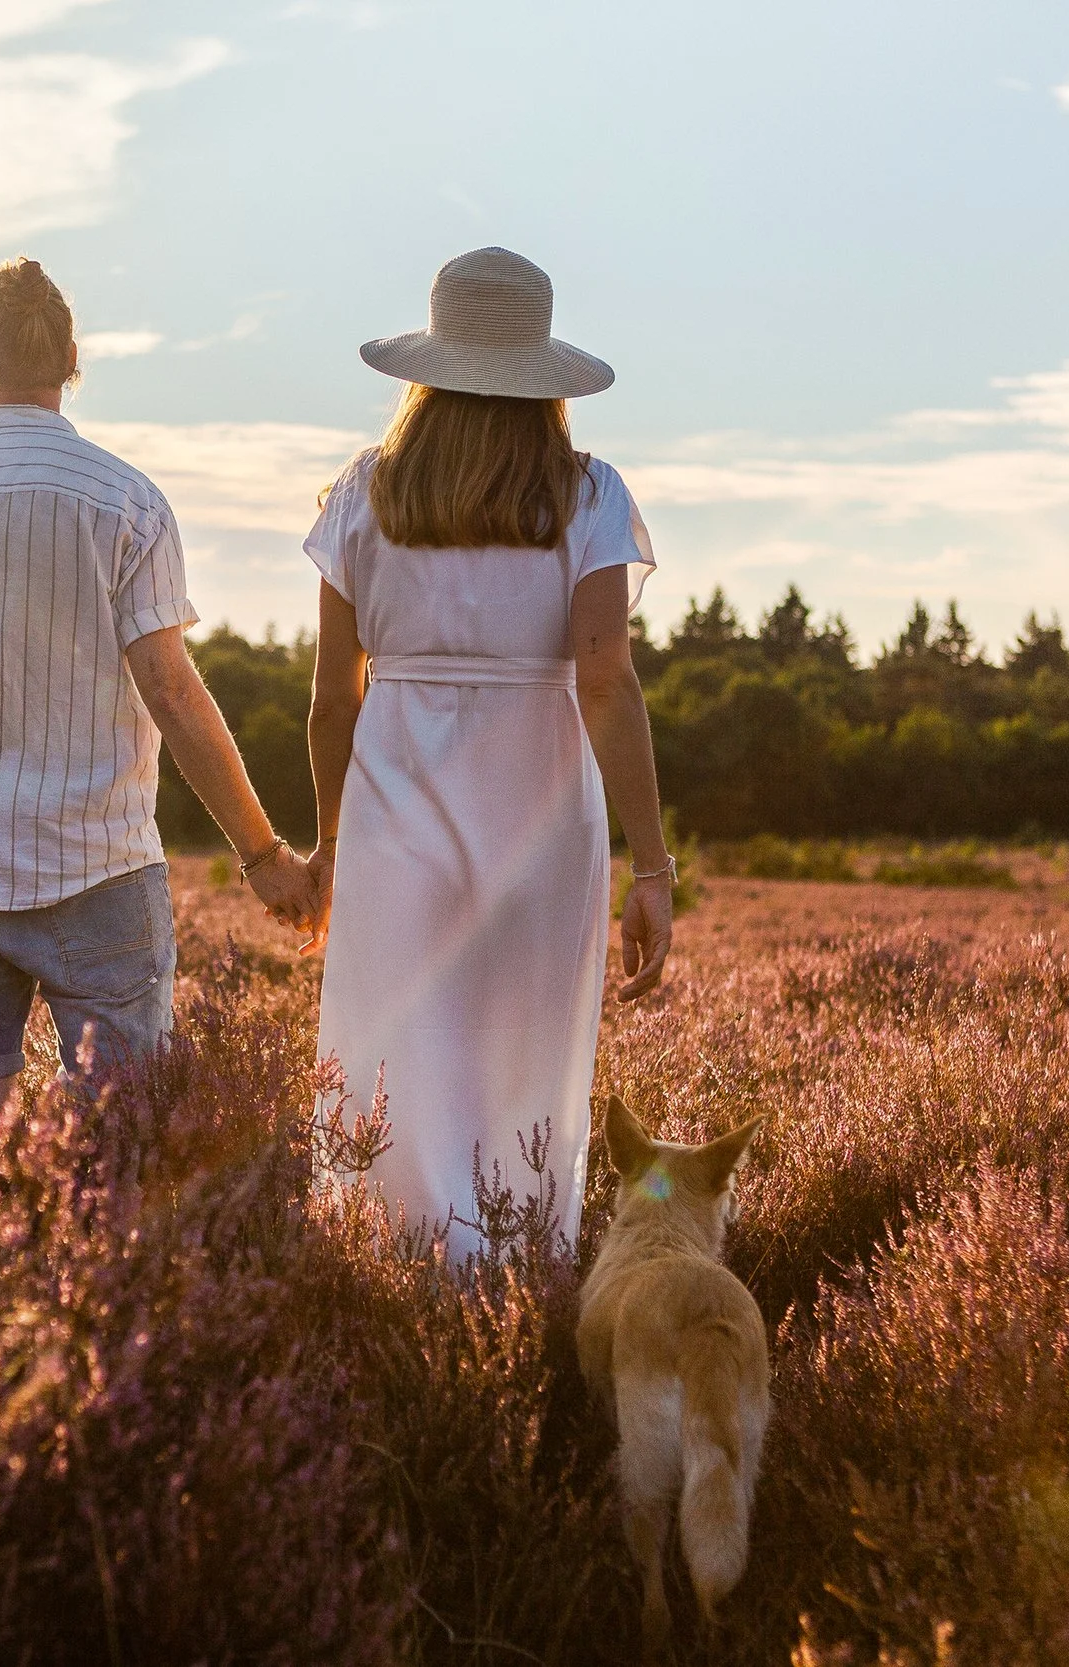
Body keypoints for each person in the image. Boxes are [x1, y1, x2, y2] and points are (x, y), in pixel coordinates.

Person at [0, 257, 318, 1116]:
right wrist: (265, 857)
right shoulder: (126, 501)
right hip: (99, 868)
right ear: (71, 358)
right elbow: (173, 693)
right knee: (121, 1143)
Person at [302, 246, 674, 1261]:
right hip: (540, 812)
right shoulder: (589, 494)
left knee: (398, 1053)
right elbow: (605, 680)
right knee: (523, 1062)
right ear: (540, 375)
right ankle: (510, 1285)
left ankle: (393, 1282)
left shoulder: (358, 496)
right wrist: (652, 863)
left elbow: (332, 702)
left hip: (392, 808)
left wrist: (331, 843)